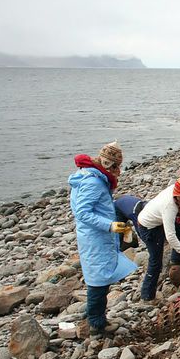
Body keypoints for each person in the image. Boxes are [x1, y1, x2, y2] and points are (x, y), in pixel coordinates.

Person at [69, 142, 137, 335]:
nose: (119, 171)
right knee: (98, 279)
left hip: (97, 236)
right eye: (116, 167)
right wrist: (109, 225)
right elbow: (82, 212)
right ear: (108, 165)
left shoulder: (92, 177)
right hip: (95, 237)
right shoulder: (93, 182)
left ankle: (92, 315)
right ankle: (97, 324)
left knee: (100, 275)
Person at [136, 175, 180, 301]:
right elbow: (170, 236)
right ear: (175, 194)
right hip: (148, 227)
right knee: (156, 262)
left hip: (158, 220)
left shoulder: (178, 191)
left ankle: (177, 261)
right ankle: (147, 296)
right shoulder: (169, 207)